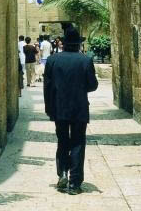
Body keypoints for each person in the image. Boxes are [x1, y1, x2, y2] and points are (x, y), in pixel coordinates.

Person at [43, 27, 98, 195]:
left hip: (59, 109)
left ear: (64, 44)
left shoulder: (53, 60)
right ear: (78, 44)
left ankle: (63, 173)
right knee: (78, 143)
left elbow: (47, 87)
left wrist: (49, 108)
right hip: (79, 108)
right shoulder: (85, 61)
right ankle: (74, 184)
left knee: (62, 141)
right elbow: (93, 85)